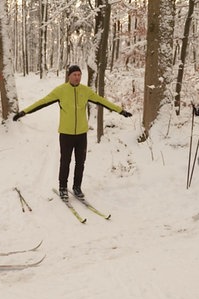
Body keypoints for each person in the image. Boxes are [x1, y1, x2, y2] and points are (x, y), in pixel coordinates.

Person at [12, 65, 132, 200]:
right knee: (65, 162)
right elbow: (42, 102)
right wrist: (23, 112)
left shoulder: (85, 91)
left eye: (79, 75)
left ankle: (77, 187)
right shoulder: (61, 91)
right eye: (74, 75)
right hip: (66, 134)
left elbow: (102, 101)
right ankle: (63, 187)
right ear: (69, 76)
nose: (77, 77)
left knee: (80, 162)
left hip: (81, 134)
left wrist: (120, 111)